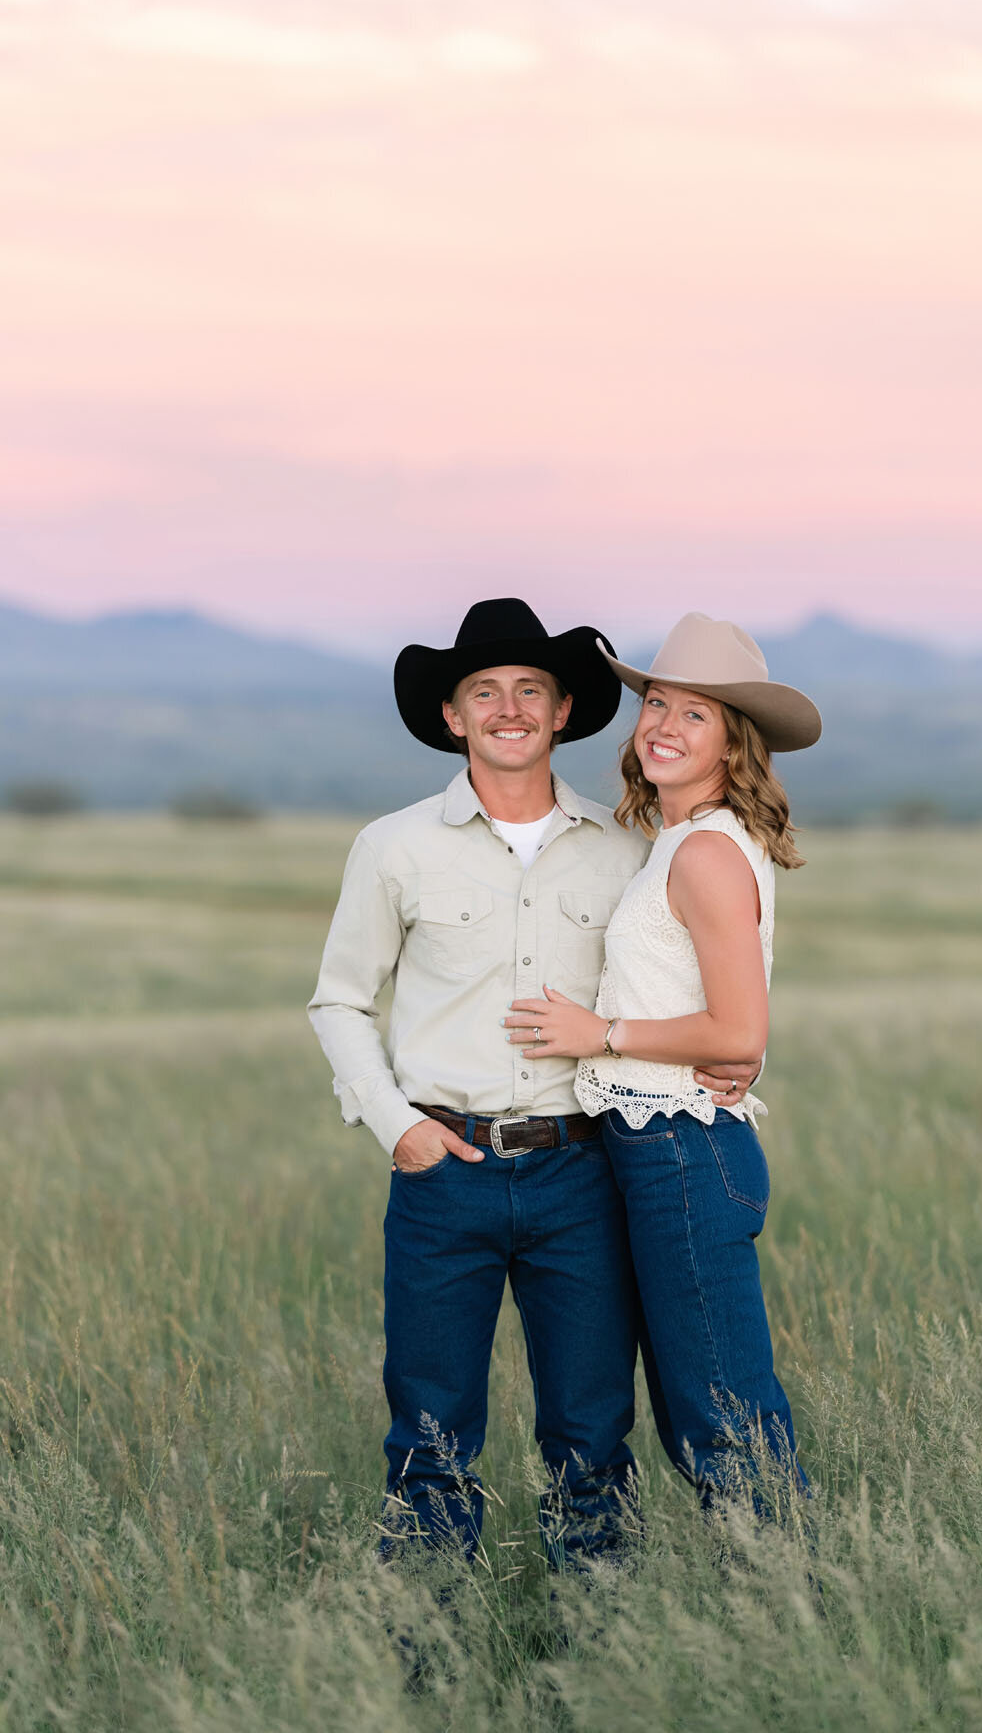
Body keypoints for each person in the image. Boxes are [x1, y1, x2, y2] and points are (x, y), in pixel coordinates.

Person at [307, 598, 757, 1565]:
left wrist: (727, 1052)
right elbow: (338, 1003)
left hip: (582, 1174)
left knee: (594, 1438)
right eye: (484, 692)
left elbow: (687, 981)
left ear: (562, 713)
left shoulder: (625, 852)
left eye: (530, 691)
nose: (508, 708)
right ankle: (421, 1668)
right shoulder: (393, 847)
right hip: (443, 1172)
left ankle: (600, 1663)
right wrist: (397, 1126)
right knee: (428, 1441)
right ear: (451, 717)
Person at [503, 611, 821, 1511]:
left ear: (734, 743)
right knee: (698, 1419)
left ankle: (790, 1612)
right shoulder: (679, 843)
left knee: (723, 1419)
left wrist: (599, 1034)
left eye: (694, 716)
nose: (663, 728)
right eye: (657, 707)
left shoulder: (709, 850)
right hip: (655, 1150)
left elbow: (738, 1034)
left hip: (685, 1152)